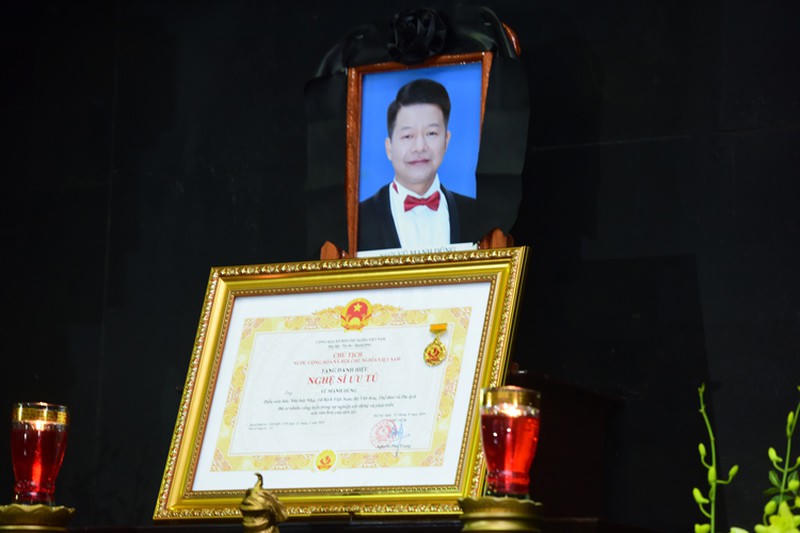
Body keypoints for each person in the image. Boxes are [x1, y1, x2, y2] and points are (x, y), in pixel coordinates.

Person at [358, 78, 478, 252]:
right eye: (408, 136)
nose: (420, 147)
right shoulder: (358, 220)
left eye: (431, 133)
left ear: (446, 141)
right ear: (389, 147)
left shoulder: (474, 213)